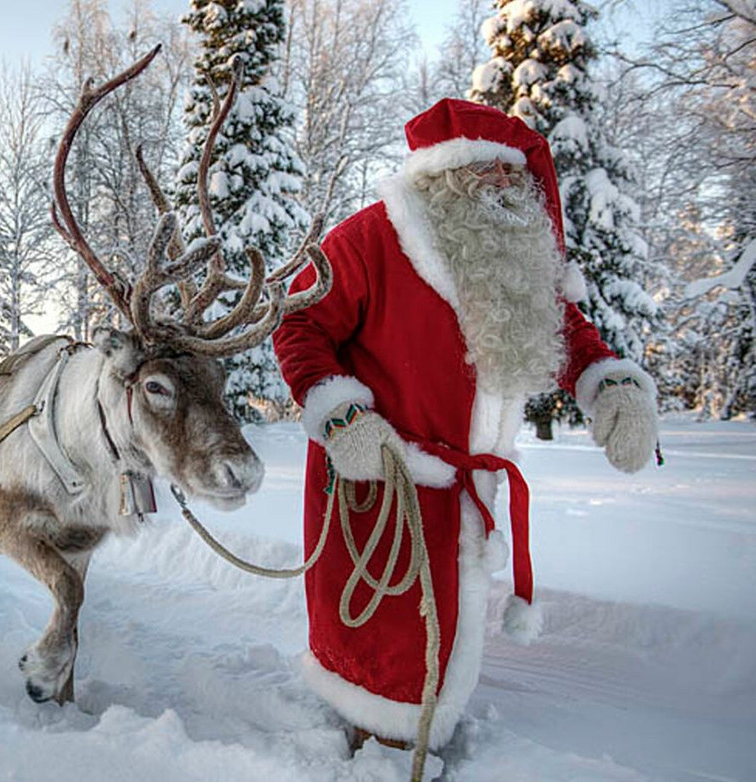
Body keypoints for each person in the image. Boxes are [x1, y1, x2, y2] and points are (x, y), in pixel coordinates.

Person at [271, 99, 660, 752]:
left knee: (441, 623)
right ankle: (378, 745)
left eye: (515, 178)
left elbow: (566, 329)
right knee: (385, 635)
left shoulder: (516, 265)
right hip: (381, 473)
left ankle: (409, 735)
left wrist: (611, 385)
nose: (508, 190)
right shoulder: (371, 237)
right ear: (445, 176)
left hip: (465, 490)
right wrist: (340, 415)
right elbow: (299, 321)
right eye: (491, 174)